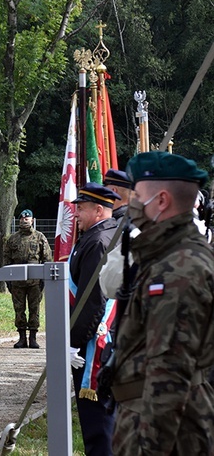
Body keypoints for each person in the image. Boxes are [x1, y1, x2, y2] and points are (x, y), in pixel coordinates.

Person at [111, 152, 214, 455]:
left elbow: (170, 372)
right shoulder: (168, 255)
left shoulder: (180, 267)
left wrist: (149, 447)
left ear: (162, 201)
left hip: (168, 434)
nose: (131, 204)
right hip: (155, 421)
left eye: (138, 196)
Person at [68, 182, 120, 456]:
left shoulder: (99, 241)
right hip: (89, 342)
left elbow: (93, 301)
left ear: (98, 210)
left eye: (81, 208)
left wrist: (73, 343)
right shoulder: (97, 235)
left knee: (98, 423)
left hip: (92, 347)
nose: (75, 214)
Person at [3, 209, 52, 349]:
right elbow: (6, 260)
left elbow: (47, 258)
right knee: (19, 309)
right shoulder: (12, 239)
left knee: (34, 309)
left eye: (27, 218)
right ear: (19, 221)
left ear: (32, 220)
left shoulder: (39, 237)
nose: (25, 220)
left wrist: (44, 278)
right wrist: (8, 280)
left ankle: (33, 337)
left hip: (35, 282)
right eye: (22, 218)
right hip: (17, 283)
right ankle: (22, 338)